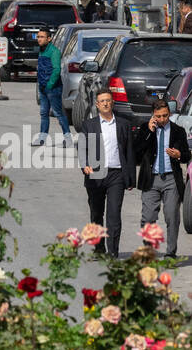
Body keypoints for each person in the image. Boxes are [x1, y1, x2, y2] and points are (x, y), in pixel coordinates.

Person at [78, 88, 136, 258]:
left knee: (114, 214)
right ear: (97, 104)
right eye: (102, 101)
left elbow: (130, 152)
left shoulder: (123, 124)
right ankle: (99, 248)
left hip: (116, 175)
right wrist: (85, 165)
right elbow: (82, 147)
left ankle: (113, 251)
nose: (105, 103)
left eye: (108, 100)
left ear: (113, 103)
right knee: (96, 213)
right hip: (95, 174)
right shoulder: (89, 125)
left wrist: (130, 178)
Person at [134, 97, 191, 258]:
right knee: (148, 217)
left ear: (169, 113)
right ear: (153, 115)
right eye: (158, 116)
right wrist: (149, 133)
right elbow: (136, 152)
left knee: (172, 215)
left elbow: (186, 156)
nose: (162, 119)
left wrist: (179, 155)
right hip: (151, 179)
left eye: (165, 116)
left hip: (171, 179)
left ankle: (171, 252)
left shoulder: (178, 131)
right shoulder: (146, 129)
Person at [34, 27, 72, 145]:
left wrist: (50, 85)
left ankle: (68, 138)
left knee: (58, 113)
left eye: (42, 37)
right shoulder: (41, 50)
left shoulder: (54, 51)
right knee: (44, 113)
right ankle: (42, 138)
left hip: (53, 88)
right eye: (38, 37)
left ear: (49, 39)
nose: (39, 39)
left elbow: (56, 70)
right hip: (43, 87)